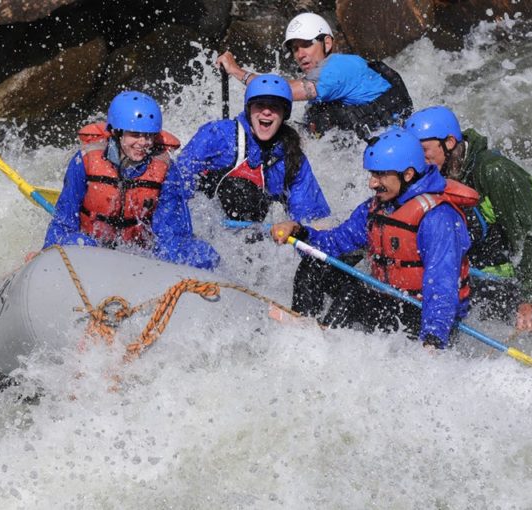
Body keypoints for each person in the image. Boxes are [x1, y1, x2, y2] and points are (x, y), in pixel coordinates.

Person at [270, 128, 478, 349]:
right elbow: (334, 244)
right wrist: (300, 232)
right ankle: (302, 330)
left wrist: (432, 341)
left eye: (380, 175)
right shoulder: (377, 208)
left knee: (353, 295)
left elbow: (441, 286)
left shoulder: (438, 217)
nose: (372, 183)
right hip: (390, 299)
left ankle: (321, 348)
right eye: (372, 174)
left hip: (423, 315)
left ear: (407, 175)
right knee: (313, 263)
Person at [405, 105, 532, 331]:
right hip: (454, 275)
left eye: (423, 150)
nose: (418, 159)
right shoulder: (430, 170)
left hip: (498, 280)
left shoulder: (495, 171)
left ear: (449, 143)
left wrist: (529, 299)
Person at [42, 91, 219, 269]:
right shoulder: (86, 160)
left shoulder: (165, 170)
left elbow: (171, 231)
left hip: (138, 254)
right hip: (91, 247)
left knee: (201, 255)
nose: (143, 143)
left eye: (149, 136)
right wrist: (47, 254)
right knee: (76, 242)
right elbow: (63, 222)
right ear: (117, 133)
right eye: (135, 134)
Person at [216, 12, 413, 140]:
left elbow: (278, 90)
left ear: (327, 43)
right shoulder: (321, 81)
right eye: (295, 49)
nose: (300, 55)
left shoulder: (339, 67)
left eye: (307, 44)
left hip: (392, 151)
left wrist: (235, 70)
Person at [173, 73, 330, 226]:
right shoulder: (218, 135)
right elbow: (177, 183)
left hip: (252, 237)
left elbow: (311, 220)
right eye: (260, 105)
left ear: (285, 114)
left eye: (274, 107)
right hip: (206, 226)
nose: (266, 112)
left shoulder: (291, 158)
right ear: (249, 109)